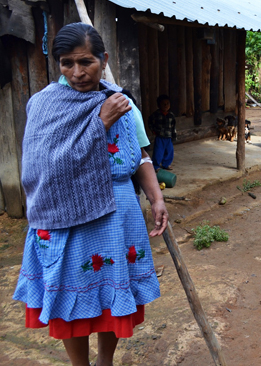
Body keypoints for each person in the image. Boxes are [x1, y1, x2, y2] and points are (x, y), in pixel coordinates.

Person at [13, 22, 168, 366]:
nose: (77, 72)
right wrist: (100, 123)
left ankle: (105, 362)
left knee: (113, 295)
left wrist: (156, 198)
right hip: (67, 218)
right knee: (71, 296)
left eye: (86, 62)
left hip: (118, 215)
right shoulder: (45, 105)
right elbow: (45, 167)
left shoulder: (122, 102)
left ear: (104, 59)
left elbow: (140, 154)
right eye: (67, 63)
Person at [148, 94, 176, 171]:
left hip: (168, 137)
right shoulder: (156, 114)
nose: (165, 105)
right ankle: (156, 166)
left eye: (167, 103)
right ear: (159, 105)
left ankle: (166, 164)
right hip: (159, 136)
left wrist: (174, 136)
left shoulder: (171, 115)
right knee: (158, 152)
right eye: (163, 104)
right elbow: (150, 121)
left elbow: (173, 126)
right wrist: (153, 130)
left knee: (169, 151)